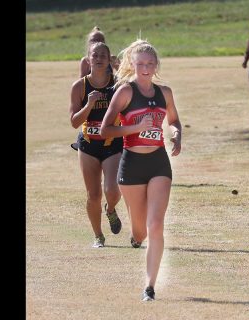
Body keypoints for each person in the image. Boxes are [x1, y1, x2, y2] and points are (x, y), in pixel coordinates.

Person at [100, 40, 182, 301]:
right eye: (140, 64)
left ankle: (149, 286)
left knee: (156, 224)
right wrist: (134, 128)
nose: (145, 68)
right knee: (141, 231)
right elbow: (105, 130)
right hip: (132, 165)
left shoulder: (165, 92)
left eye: (150, 63)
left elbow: (174, 119)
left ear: (156, 65)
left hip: (158, 162)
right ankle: (135, 238)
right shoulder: (124, 92)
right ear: (132, 65)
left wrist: (176, 134)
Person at [69, 42, 123, 248]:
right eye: (95, 55)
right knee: (93, 195)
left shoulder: (118, 84)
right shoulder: (79, 86)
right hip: (88, 145)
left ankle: (110, 210)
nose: (99, 58)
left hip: (113, 143)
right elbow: (74, 121)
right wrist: (89, 104)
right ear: (88, 59)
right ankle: (98, 236)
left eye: (103, 55)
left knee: (113, 190)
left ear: (109, 59)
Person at [72, 26, 120, 152]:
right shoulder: (86, 61)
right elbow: (82, 80)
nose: (96, 42)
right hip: (91, 95)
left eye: (100, 39)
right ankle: (82, 141)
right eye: (93, 40)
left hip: (108, 92)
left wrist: (117, 65)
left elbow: (123, 79)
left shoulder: (110, 58)